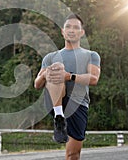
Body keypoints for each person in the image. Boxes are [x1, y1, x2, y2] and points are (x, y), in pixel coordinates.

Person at [34, 13, 101, 160]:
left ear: (81, 33)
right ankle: (59, 117)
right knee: (56, 66)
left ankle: (62, 120)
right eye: (68, 27)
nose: (71, 30)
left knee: (73, 154)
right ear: (63, 31)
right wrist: (45, 75)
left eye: (76, 27)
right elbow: (37, 84)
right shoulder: (50, 57)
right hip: (56, 100)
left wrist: (69, 76)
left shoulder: (91, 55)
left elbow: (94, 79)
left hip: (78, 104)